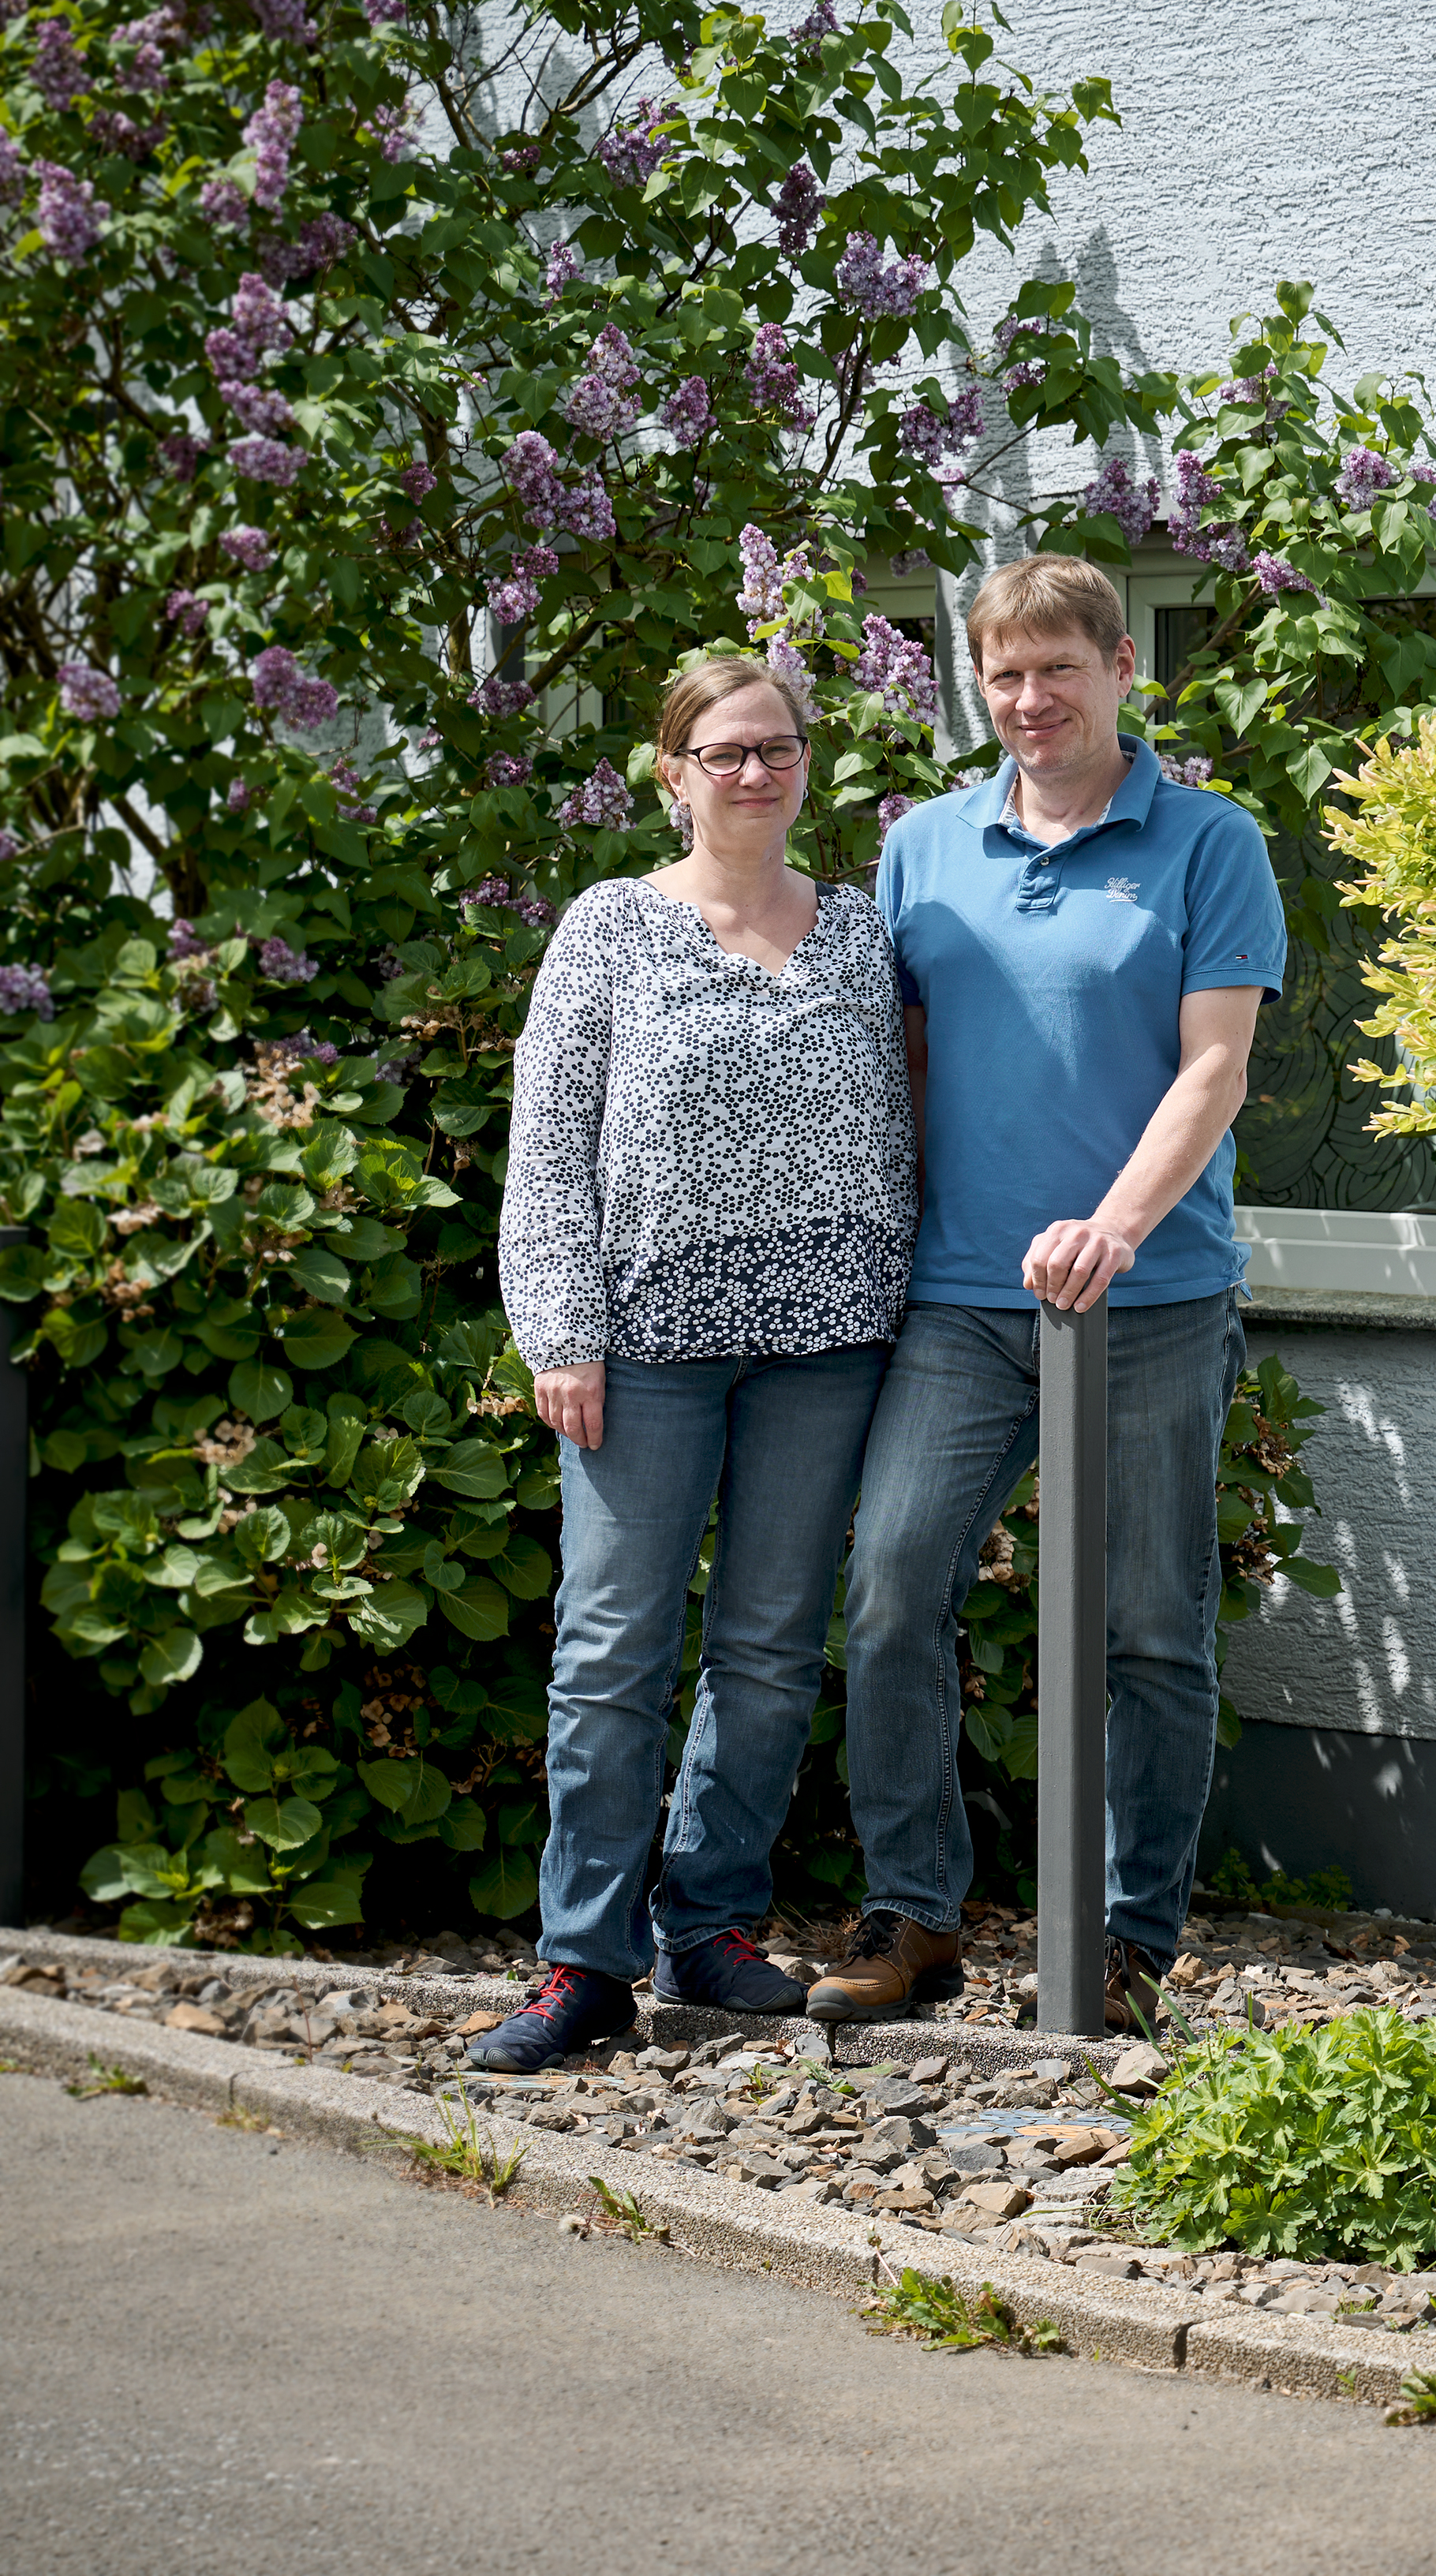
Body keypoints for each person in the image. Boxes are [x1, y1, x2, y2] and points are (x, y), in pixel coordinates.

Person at [810, 555, 1281, 2032]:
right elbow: (902, 1062)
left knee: (1149, 1626)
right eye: (1001, 675)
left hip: (1146, 1301)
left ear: (1121, 667)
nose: (1028, 700)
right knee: (891, 1587)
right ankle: (916, 1915)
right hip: (957, 1298)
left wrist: (1116, 1226)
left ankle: (1129, 1940)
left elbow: (1215, 1066)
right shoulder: (924, 848)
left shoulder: (1208, 844)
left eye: (1056, 669)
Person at [473, 655, 915, 2070]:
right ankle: (581, 1961)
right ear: (671, 774)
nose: (754, 772)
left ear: (806, 764)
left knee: (772, 1654)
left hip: (826, 1341)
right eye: (723, 752)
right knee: (610, 1654)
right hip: (643, 1346)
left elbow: (905, 1125)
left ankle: (709, 1925)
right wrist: (561, 1331)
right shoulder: (609, 931)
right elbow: (546, 1152)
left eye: (777, 748)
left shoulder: (859, 932)